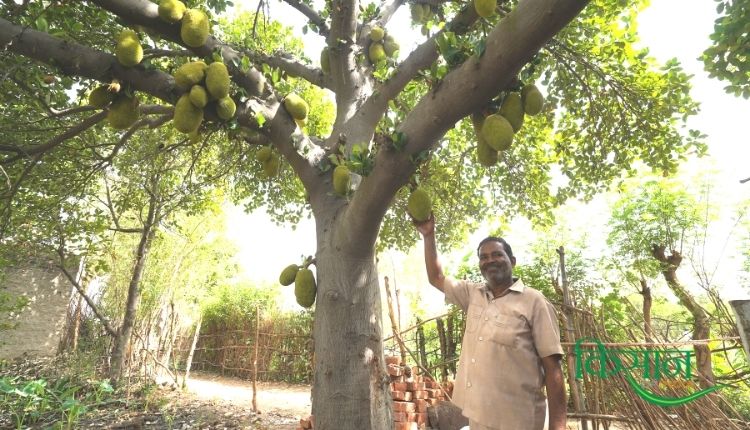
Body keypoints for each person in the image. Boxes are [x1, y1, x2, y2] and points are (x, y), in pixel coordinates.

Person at [414, 215, 566, 430]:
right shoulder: (473, 294)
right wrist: (429, 235)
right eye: (483, 257)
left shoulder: (534, 302)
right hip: (479, 419)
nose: (490, 260)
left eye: (497, 254)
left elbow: (553, 369)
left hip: (519, 421)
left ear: (512, 261)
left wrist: (557, 428)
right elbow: (436, 277)